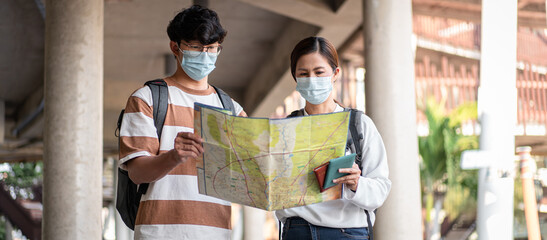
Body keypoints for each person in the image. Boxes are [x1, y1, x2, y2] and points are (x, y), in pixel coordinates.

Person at [118, 5, 247, 239]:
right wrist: (174, 156)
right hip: (159, 232)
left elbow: (245, 179)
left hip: (217, 232)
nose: (204, 54)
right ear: (175, 48)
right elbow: (137, 173)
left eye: (211, 48)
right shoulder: (146, 98)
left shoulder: (232, 110)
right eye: (195, 47)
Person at [275, 36, 391, 240]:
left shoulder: (358, 124)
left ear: (335, 73)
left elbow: (380, 189)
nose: (311, 79)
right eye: (303, 73)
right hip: (297, 231)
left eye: (319, 72)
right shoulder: (285, 129)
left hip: (348, 233)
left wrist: (357, 183)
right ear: (295, 77)